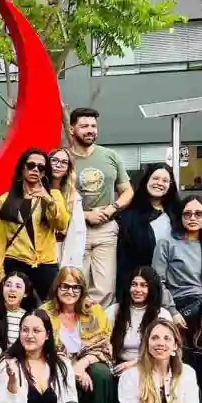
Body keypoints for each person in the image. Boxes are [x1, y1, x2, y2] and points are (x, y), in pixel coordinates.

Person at [68, 107, 134, 308]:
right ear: (72, 129)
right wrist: (85, 215)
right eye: (84, 126)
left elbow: (127, 191)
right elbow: (57, 199)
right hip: (75, 228)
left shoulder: (110, 156)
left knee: (105, 288)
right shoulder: (63, 159)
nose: (90, 130)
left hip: (106, 229)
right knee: (74, 283)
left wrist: (112, 208)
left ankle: (98, 324)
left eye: (93, 126)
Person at [0, 149, 70, 300]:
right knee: (16, 307)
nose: (35, 170)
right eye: (31, 165)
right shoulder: (5, 200)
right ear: (22, 168)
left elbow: (61, 225)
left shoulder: (54, 196)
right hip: (16, 261)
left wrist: (49, 201)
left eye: (41, 167)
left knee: (50, 307)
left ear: (44, 172)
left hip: (46, 263)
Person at [41, 267, 115, 403]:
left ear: (82, 290)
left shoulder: (94, 311)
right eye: (65, 286)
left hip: (88, 360)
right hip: (57, 362)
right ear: (57, 287)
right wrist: (71, 369)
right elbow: (43, 348)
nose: (70, 291)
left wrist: (81, 365)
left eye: (76, 287)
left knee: (101, 373)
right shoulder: (45, 313)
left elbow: (103, 344)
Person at [152, 195, 202, 333]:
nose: (193, 218)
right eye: (187, 214)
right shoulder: (166, 243)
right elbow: (157, 282)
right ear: (181, 216)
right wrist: (172, 312)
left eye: (198, 214)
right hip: (180, 304)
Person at [116, 163, 180, 295]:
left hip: (175, 284)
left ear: (170, 185)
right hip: (141, 287)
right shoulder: (129, 217)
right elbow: (124, 261)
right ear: (146, 181)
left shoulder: (178, 214)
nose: (159, 183)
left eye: (165, 180)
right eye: (155, 178)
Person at [108, 266, 172, 376]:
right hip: (118, 365)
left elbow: (166, 349)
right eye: (134, 284)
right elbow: (102, 341)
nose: (137, 290)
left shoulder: (162, 315)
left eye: (143, 285)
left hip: (150, 366)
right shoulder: (114, 310)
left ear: (152, 289)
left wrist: (135, 364)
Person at [0, 272, 39, 351]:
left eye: (18, 286)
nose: (12, 289)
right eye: (8, 285)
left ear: (25, 293)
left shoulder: (30, 317)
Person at [48, 147, 85, 269]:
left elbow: (78, 231)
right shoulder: (36, 190)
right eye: (54, 160)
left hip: (63, 249)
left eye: (64, 162)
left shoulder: (73, 196)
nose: (58, 165)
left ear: (68, 169)